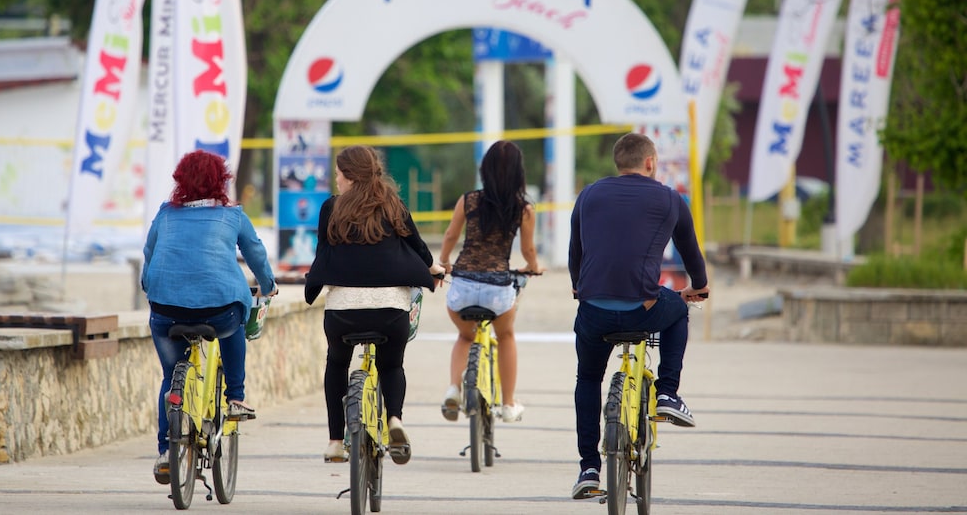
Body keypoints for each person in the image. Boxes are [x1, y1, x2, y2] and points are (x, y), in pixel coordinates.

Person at [568, 133, 709, 500]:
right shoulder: (668, 198)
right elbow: (689, 249)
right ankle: (668, 393)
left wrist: (577, 287)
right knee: (678, 310)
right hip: (642, 308)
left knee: (587, 379)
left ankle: (588, 467)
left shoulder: (588, 195)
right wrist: (701, 286)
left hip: (593, 310)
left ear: (618, 161)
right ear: (650, 162)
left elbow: (576, 251)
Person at [141, 150, 277, 484]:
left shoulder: (165, 214)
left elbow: (149, 254)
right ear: (221, 180)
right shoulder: (232, 215)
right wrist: (268, 285)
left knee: (170, 376)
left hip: (165, 312)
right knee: (233, 326)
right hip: (219, 310)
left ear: (180, 180)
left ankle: (164, 451)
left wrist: (150, 287)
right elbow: (255, 252)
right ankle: (235, 396)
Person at [304, 145, 445, 464]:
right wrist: (433, 269)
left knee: (337, 363)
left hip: (343, 312)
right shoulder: (393, 204)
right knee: (391, 365)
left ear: (351, 175)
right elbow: (418, 246)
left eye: (339, 174)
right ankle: (395, 419)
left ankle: (335, 441)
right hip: (391, 310)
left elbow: (324, 251)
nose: (336, 180)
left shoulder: (331, 208)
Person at [437, 140, 543, 423]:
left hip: (462, 287)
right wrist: (533, 267)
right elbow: (528, 251)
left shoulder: (468, 200)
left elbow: (450, 235)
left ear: (485, 170)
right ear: (519, 173)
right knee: (505, 335)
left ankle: (453, 388)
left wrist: (445, 261)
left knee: (465, 335)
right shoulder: (523, 208)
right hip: (497, 290)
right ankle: (508, 403)